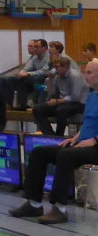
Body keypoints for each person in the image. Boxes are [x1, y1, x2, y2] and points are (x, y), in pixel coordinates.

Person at [10, 60, 98, 224]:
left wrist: (94, 140)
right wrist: (75, 137)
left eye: (89, 72)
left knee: (66, 155)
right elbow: (89, 123)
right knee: (39, 153)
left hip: (95, 146)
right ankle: (34, 203)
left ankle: (59, 208)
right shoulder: (92, 96)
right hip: (83, 143)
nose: (85, 75)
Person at [32, 57, 88, 137]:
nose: (55, 69)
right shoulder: (58, 76)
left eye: (57, 67)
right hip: (64, 102)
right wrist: (51, 79)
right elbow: (51, 92)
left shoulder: (75, 76)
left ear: (65, 67)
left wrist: (57, 101)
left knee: (61, 110)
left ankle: (59, 136)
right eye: (54, 67)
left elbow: (75, 97)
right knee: (37, 109)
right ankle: (50, 135)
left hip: (79, 103)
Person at [0, 39, 49, 109]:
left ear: (44, 48)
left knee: (36, 79)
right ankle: (13, 104)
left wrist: (28, 74)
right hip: (33, 79)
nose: (35, 49)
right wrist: (21, 73)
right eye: (34, 46)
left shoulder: (49, 57)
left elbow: (45, 71)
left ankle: (35, 104)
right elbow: (27, 68)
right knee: (8, 78)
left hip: (45, 82)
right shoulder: (34, 57)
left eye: (36, 47)